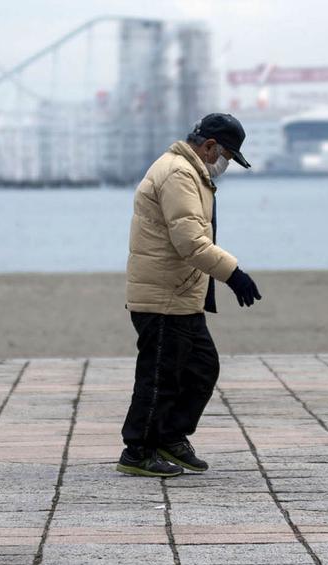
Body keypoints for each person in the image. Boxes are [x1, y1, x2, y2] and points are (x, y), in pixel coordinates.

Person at [117, 113, 262, 477]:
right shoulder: (180, 173)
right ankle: (138, 451)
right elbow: (191, 243)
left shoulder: (191, 173)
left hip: (182, 295)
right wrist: (234, 274)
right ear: (209, 146)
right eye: (227, 156)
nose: (225, 164)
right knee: (160, 376)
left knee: (200, 368)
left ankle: (169, 437)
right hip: (163, 296)